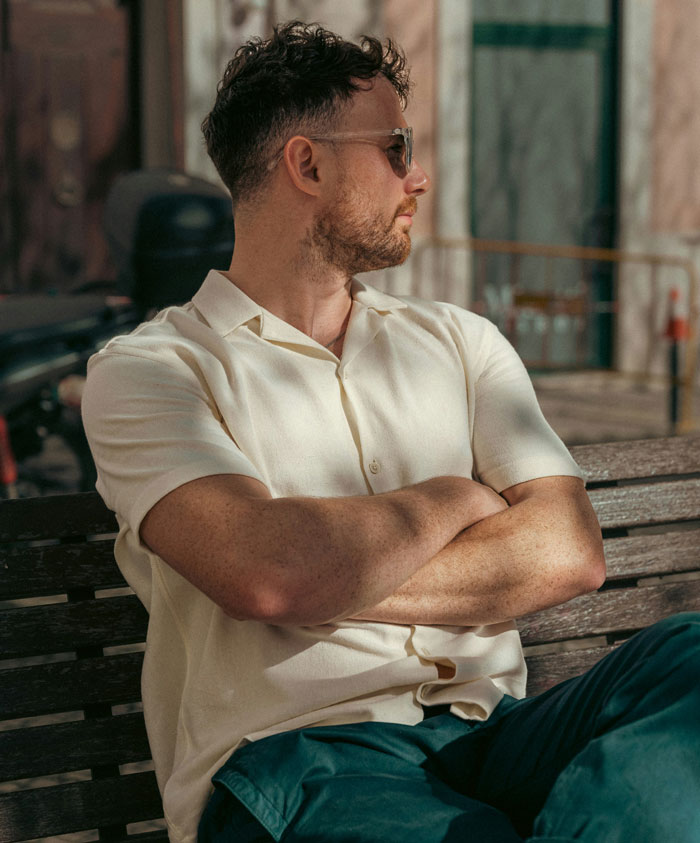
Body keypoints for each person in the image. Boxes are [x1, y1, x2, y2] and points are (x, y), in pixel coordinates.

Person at [82, 21, 700, 843]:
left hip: (493, 732)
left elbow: (569, 549)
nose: (420, 177)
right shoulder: (152, 369)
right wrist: (456, 495)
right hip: (301, 764)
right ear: (307, 164)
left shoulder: (460, 340)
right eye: (397, 148)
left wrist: (325, 576)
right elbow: (269, 571)